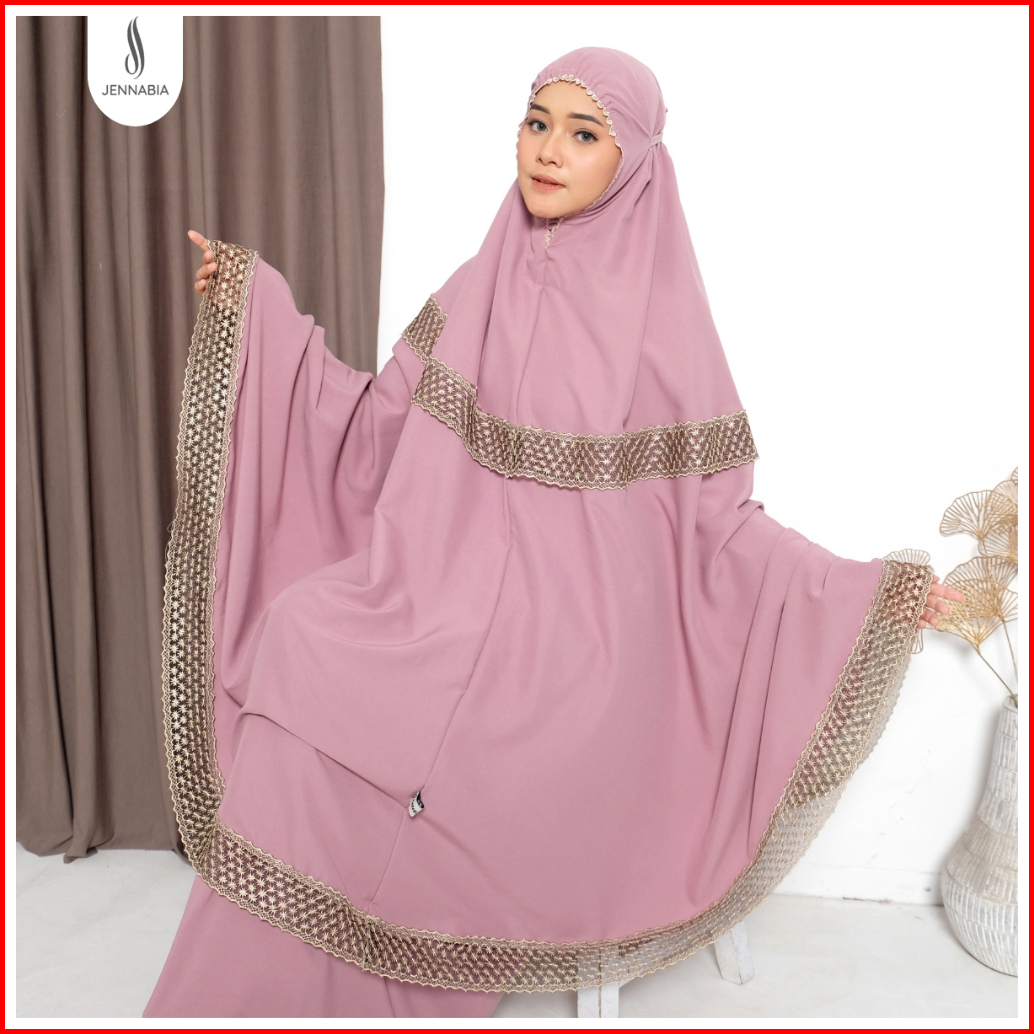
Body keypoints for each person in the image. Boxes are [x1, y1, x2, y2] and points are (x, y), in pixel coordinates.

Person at [145, 48, 961, 1018]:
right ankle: (275, 980)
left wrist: (867, 592)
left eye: (582, 134)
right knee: (304, 635)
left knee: (492, 721)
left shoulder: (665, 326)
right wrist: (258, 311)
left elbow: (719, 521)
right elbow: (375, 422)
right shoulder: (475, 283)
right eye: (537, 123)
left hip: (578, 640)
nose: (547, 150)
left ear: (635, 160)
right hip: (431, 593)